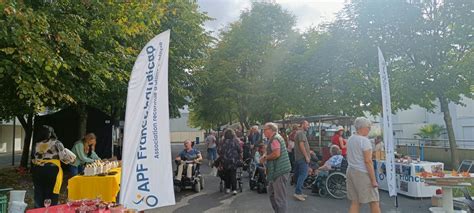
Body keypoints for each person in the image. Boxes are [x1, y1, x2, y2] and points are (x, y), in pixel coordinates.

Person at [32, 125, 73, 208]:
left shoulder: (36, 143)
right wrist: (72, 159)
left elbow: (34, 155)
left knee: (39, 192)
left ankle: (38, 209)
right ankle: (51, 209)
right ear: (52, 133)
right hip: (51, 170)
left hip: (37, 169)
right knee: (51, 192)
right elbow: (64, 158)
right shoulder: (56, 143)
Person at [346, 117, 381, 213]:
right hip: (362, 173)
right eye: (368, 127)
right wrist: (374, 180)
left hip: (351, 170)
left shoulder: (351, 138)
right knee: (374, 201)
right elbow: (368, 161)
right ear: (362, 127)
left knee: (355, 201)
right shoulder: (364, 141)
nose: (369, 129)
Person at [260, 122, 291, 213]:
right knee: (272, 194)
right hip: (277, 171)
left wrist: (265, 158)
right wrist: (265, 155)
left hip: (280, 171)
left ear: (270, 130)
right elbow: (269, 151)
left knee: (279, 197)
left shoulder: (275, 139)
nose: (264, 132)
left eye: (265, 130)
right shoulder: (273, 138)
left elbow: (276, 154)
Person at [219, 129, 242, 195]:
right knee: (233, 174)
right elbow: (239, 150)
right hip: (234, 160)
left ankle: (228, 188)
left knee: (227, 174)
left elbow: (219, 151)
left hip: (225, 160)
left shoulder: (222, 142)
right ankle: (234, 189)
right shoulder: (235, 141)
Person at [293, 120, 311, 201]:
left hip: (299, 158)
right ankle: (298, 192)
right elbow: (301, 145)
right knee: (303, 175)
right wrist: (306, 156)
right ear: (303, 124)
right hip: (302, 158)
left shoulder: (300, 133)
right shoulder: (300, 133)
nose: (308, 126)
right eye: (307, 125)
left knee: (301, 175)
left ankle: (299, 191)